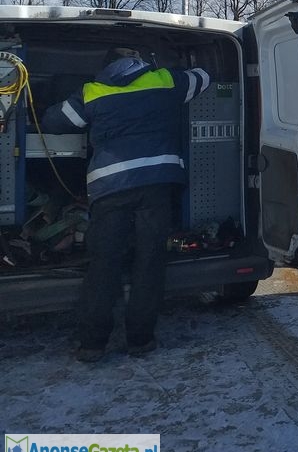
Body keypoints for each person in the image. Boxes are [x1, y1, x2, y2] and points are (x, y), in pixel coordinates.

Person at [42, 47, 210, 362]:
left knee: (104, 264)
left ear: (106, 67)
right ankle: (140, 340)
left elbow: (54, 121)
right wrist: (189, 64)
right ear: (141, 62)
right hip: (157, 184)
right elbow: (203, 78)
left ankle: (93, 344)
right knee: (149, 261)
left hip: (110, 188)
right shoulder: (163, 80)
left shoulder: (92, 90)